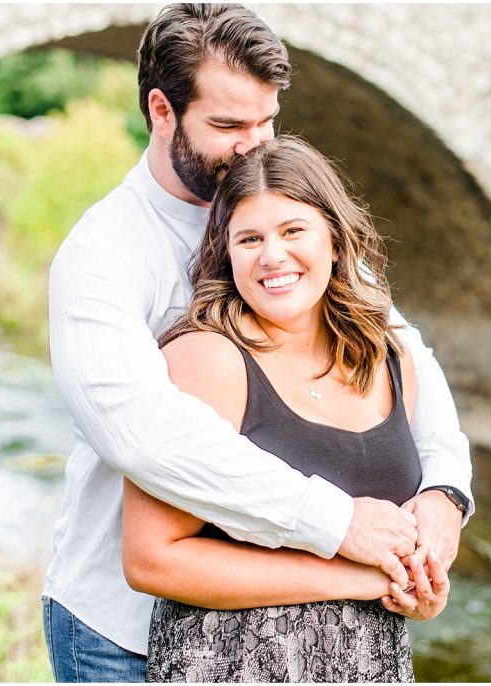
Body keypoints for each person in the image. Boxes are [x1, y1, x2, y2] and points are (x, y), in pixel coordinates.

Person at [43, 4, 473, 682]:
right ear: (162, 110)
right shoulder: (104, 257)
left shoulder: (284, 214)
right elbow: (144, 435)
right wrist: (341, 530)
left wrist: (445, 493)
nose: (253, 144)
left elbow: (400, 349)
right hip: (122, 631)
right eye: (227, 125)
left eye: (266, 120)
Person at [123, 135, 446, 682]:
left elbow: (403, 537)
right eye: (249, 238)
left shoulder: (389, 358)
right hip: (232, 663)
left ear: (336, 241)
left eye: (293, 230)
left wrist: (422, 590)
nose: (273, 256)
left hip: (374, 664)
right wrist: (358, 579)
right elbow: (152, 558)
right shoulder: (207, 361)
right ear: (226, 252)